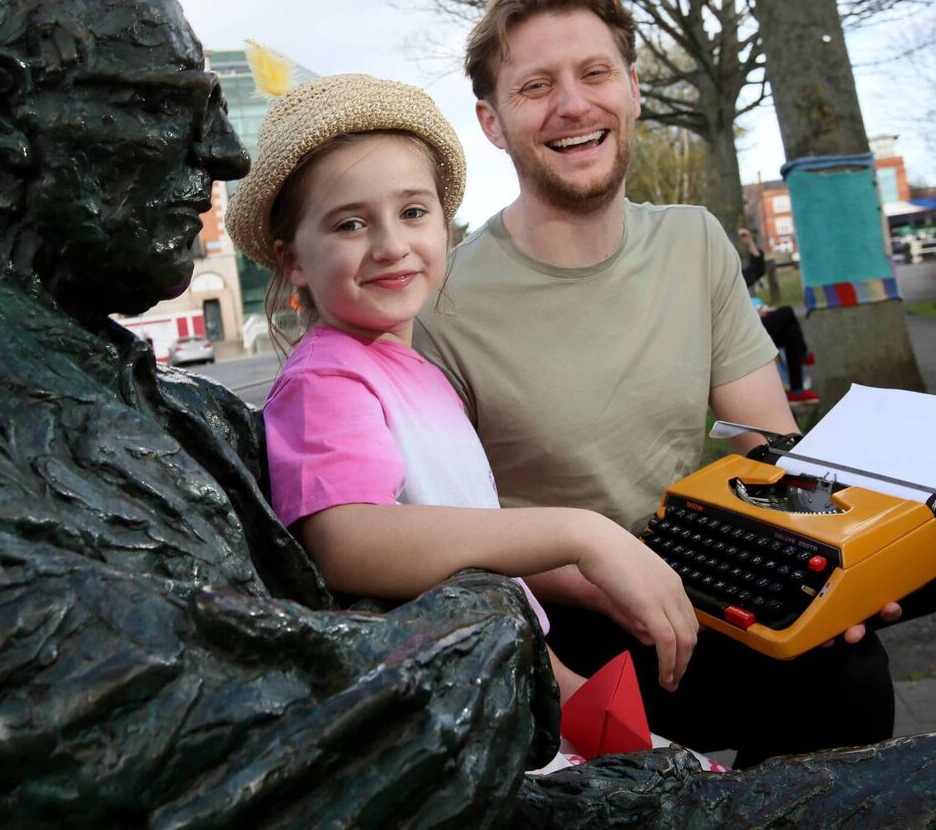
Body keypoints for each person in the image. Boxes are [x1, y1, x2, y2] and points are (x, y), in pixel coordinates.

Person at [0, 0, 566, 825]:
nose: (222, 152)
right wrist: (504, 621)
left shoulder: (188, 408)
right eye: (171, 104)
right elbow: (279, 756)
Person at [412, 0, 908, 767]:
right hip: (564, 606)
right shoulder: (438, 301)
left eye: (595, 73)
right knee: (846, 683)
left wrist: (836, 555)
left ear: (635, 89)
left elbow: (766, 447)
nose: (573, 105)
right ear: (493, 122)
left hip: (702, 561)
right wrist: (606, 571)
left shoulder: (694, 239)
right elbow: (439, 523)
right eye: (536, 87)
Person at [223, 73, 698, 706]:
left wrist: (586, 589)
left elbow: (459, 544)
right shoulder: (325, 380)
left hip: (509, 680)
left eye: (413, 212)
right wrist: (585, 533)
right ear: (293, 261)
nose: (392, 245)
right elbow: (346, 541)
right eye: (350, 224)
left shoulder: (416, 373)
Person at [738, 226, 817, 403]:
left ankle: (796, 391)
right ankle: (804, 354)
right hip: (740, 336)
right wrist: (754, 313)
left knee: (791, 334)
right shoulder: (706, 285)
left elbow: (756, 271)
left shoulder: (729, 277)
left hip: (752, 327)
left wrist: (749, 242)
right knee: (787, 312)